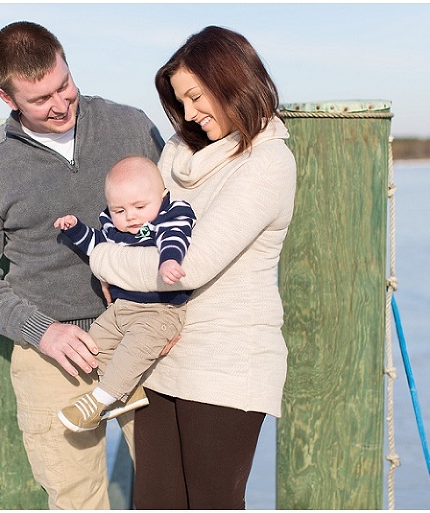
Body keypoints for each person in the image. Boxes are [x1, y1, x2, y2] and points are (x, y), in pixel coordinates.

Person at [0, 21, 164, 509]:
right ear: (7, 99)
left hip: (142, 335)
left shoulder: (131, 125)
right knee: (76, 502)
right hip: (53, 356)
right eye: (41, 99)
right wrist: (42, 331)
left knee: (167, 493)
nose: (61, 104)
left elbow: (181, 216)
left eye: (64, 85)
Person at [88, 25, 297, 509]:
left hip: (227, 361)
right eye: (180, 103)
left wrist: (102, 259)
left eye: (196, 97)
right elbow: (140, 229)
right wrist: (119, 260)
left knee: (211, 502)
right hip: (161, 352)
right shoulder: (178, 153)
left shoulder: (268, 163)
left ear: (232, 81)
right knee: (155, 501)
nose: (190, 115)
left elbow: (188, 265)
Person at [53, 155, 196, 432]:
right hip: (121, 308)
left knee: (134, 349)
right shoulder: (117, 226)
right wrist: (76, 230)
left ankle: (99, 400)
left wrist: (169, 260)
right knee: (96, 342)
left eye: (139, 206)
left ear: (162, 196)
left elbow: (174, 236)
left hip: (160, 310)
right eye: (119, 210)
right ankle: (127, 396)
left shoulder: (169, 216)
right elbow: (98, 244)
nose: (130, 216)